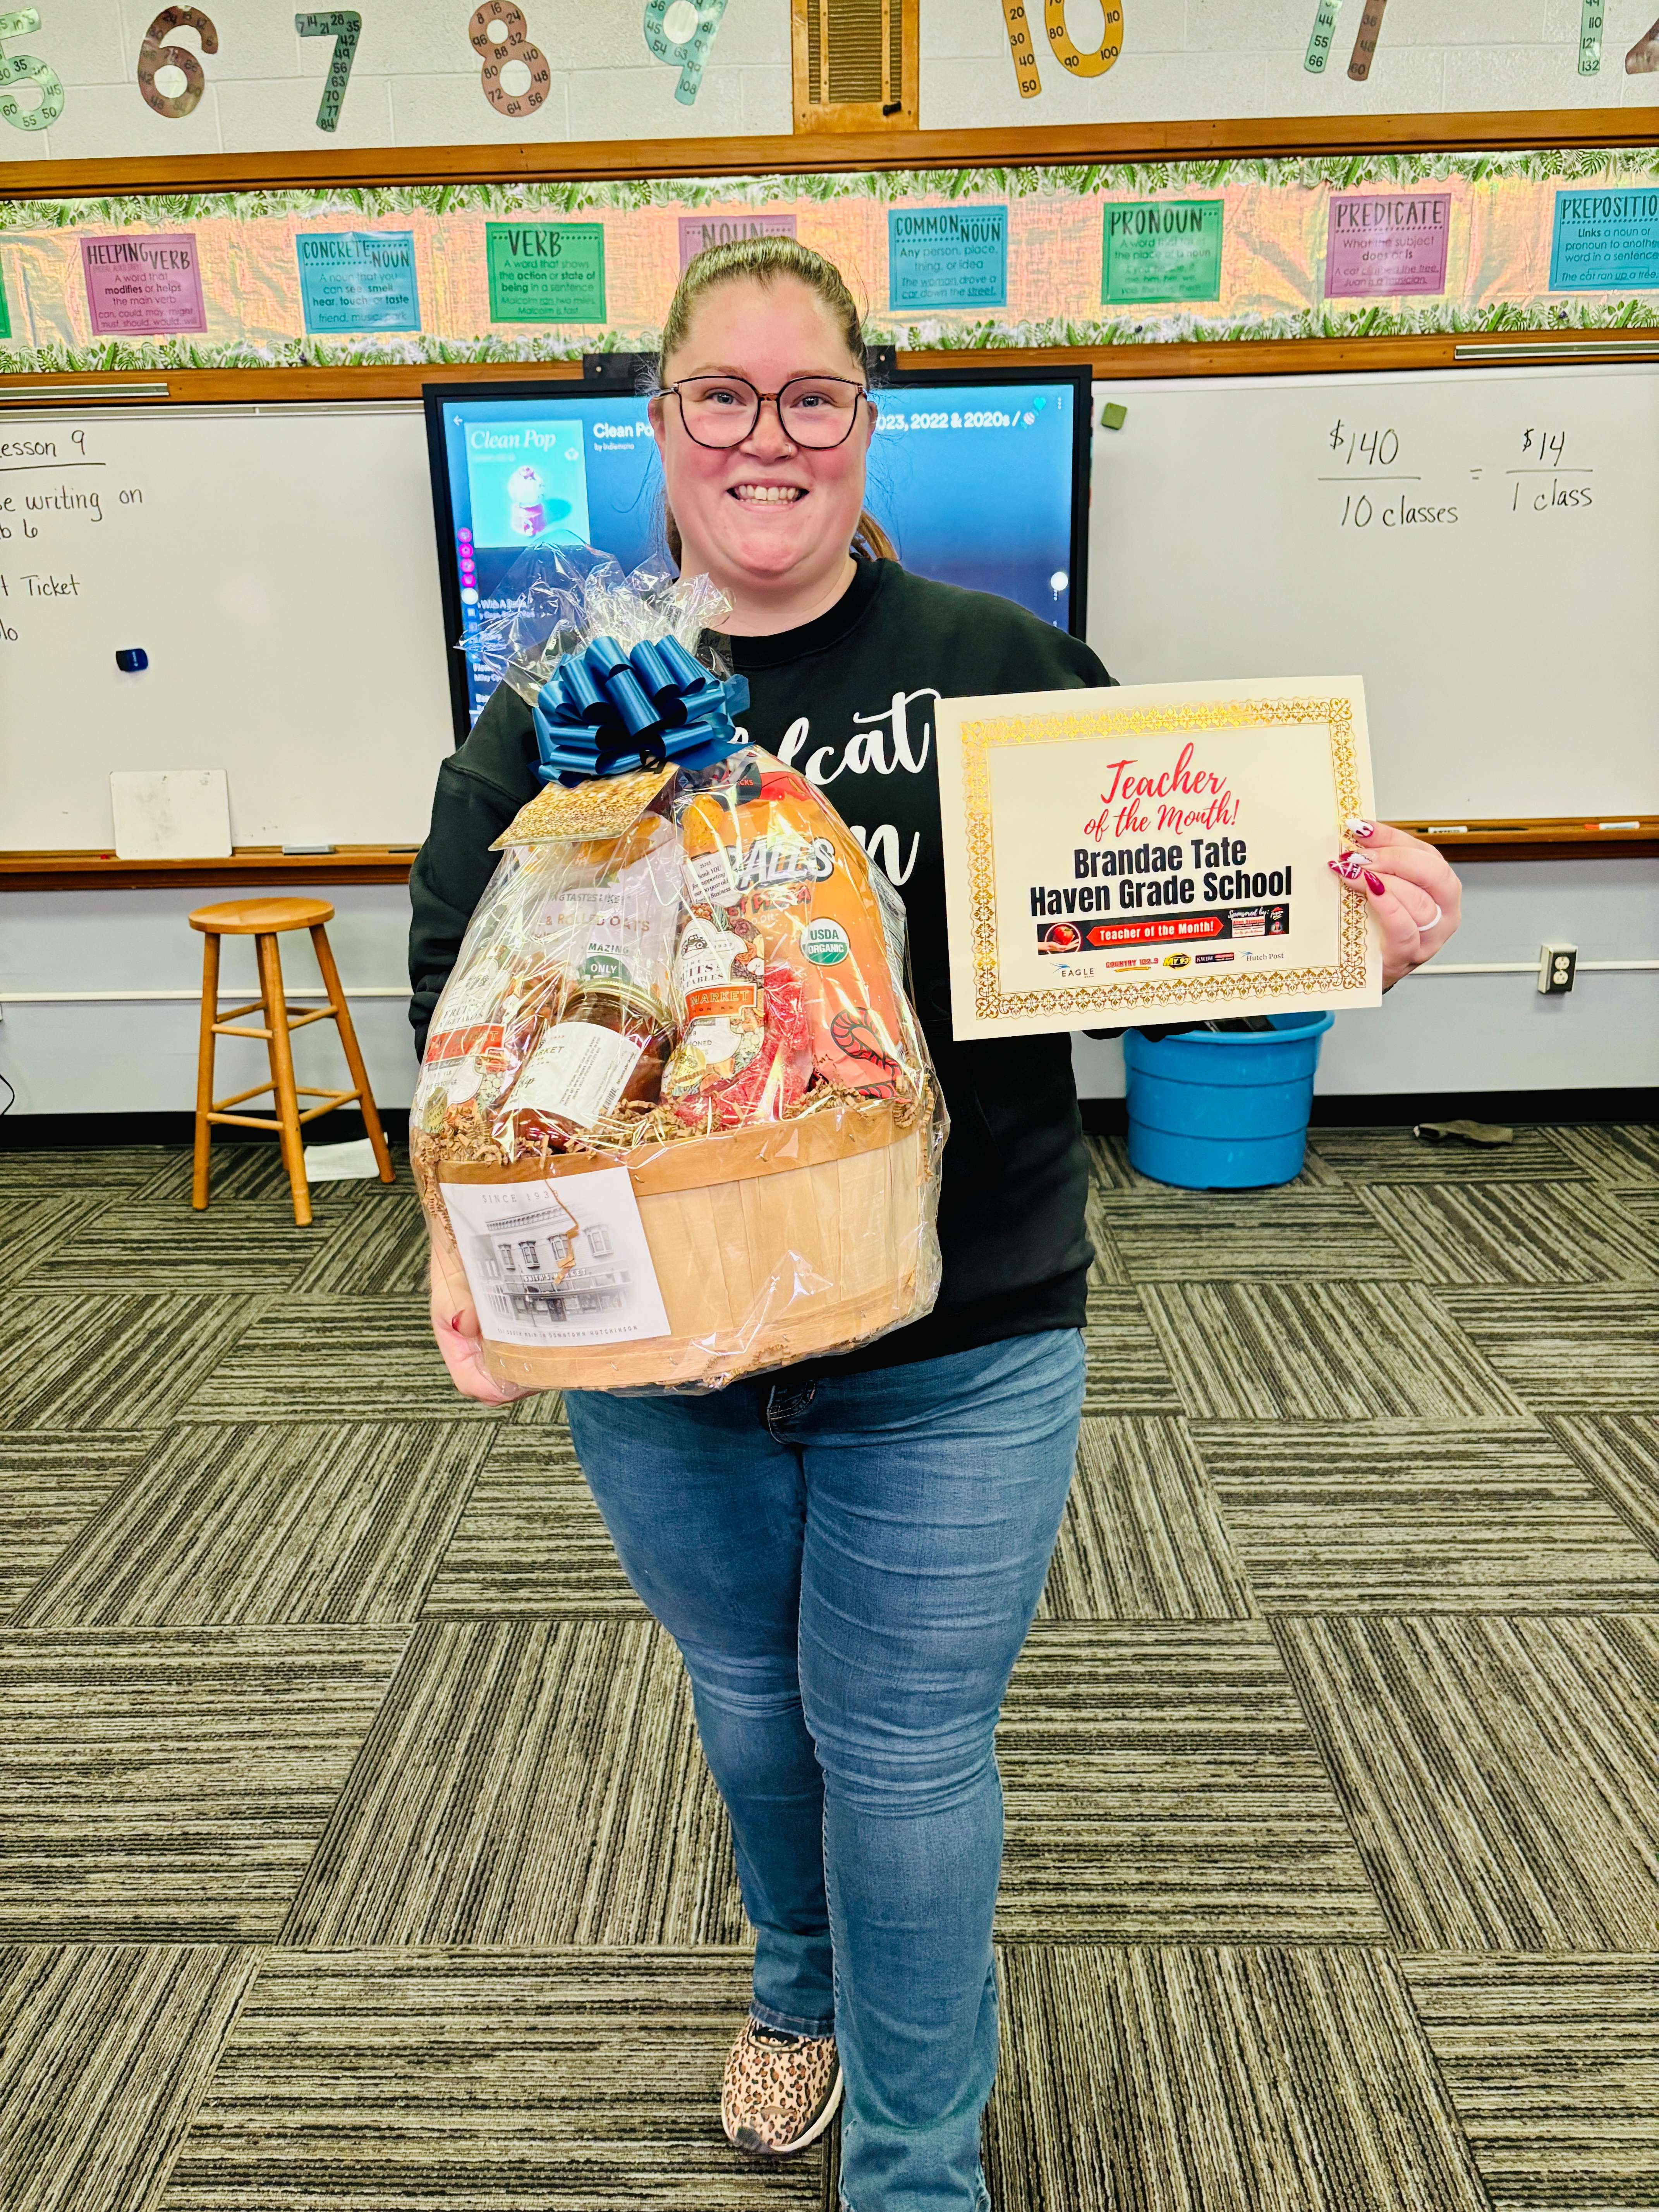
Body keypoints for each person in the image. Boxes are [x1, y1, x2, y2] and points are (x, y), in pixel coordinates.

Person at [409, 238, 1463, 2212]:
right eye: (721, 395)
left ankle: (916, 2162)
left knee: (901, 1757)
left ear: (867, 422)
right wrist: (575, 822)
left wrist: (1359, 934)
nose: (767, 438)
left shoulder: (997, 668)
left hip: (963, 1328)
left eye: (813, 397)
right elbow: (462, 1014)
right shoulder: (553, 711)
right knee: (747, 1705)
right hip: (666, 1348)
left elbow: (1171, 920)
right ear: (661, 422)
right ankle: (793, 1986)